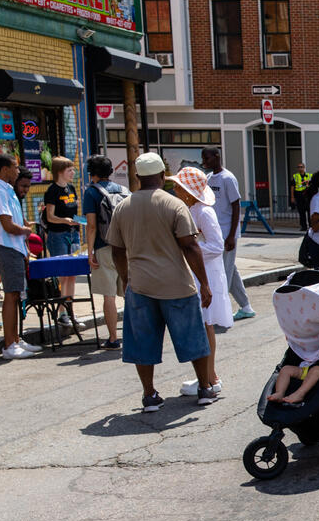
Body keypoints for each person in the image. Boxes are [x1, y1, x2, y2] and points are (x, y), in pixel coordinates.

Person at [106, 152, 217, 411]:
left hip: (141, 285)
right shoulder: (174, 204)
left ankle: (150, 395)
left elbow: (116, 250)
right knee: (193, 338)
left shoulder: (123, 207)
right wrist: (205, 283)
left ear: (137, 177)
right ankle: (204, 388)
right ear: (161, 176)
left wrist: (125, 279)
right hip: (177, 285)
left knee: (142, 342)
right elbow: (190, 246)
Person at [169, 167, 231, 398]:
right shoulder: (193, 209)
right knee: (204, 326)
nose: (174, 190)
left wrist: (188, 249)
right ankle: (208, 375)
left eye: (178, 187)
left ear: (188, 191)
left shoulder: (204, 212)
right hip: (198, 271)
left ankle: (210, 377)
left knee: (206, 325)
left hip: (206, 273)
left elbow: (217, 246)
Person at [0, 155, 42, 359]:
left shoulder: (6, 189)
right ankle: (10, 344)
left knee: (16, 294)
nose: (18, 171)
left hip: (15, 247)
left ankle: (16, 340)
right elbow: (7, 225)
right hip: (6, 246)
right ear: (3, 169)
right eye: (14, 167)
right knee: (11, 295)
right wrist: (26, 232)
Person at [202, 146, 255, 321]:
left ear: (217, 157)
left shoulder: (228, 178)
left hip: (226, 234)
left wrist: (232, 235)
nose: (204, 162)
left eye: (207, 158)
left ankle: (219, 314)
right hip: (215, 234)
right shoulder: (209, 178)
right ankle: (246, 307)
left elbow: (235, 206)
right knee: (230, 270)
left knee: (223, 273)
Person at [83, 155, 128, 349]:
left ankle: (112, 338)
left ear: (92, 173)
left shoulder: (91, 193)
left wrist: (90, 251)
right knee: (130, 292)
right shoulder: (124, 190)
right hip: (126, 247)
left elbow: (91, 226)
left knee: (109, 296)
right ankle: (134, 333)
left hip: (104, 245)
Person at [43, 156, 86, 330]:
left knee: (72, 274)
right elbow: (50, 217)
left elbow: (74, 209)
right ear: (60, 172)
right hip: (58, 235)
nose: (73, 173)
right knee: (63, 275)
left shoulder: (71, 188)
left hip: (73, 234)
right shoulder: (52, 191)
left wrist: (76, 222)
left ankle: (70, 310)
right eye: (69, 170)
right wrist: (65, 220)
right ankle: (62, 312)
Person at [292, 163, 312, 232]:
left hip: (307, 196)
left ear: (304, 168)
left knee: (309, 211)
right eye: (298, 167)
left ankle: (311, 226)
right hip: (299, 195)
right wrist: (292, 197)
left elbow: (313, 184)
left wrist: (308, 183)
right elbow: (292, 187)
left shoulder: (309, 175)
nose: (300, 168)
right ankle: (303, 226)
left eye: (301, 167)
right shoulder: (295, 176)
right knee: (301, 212)